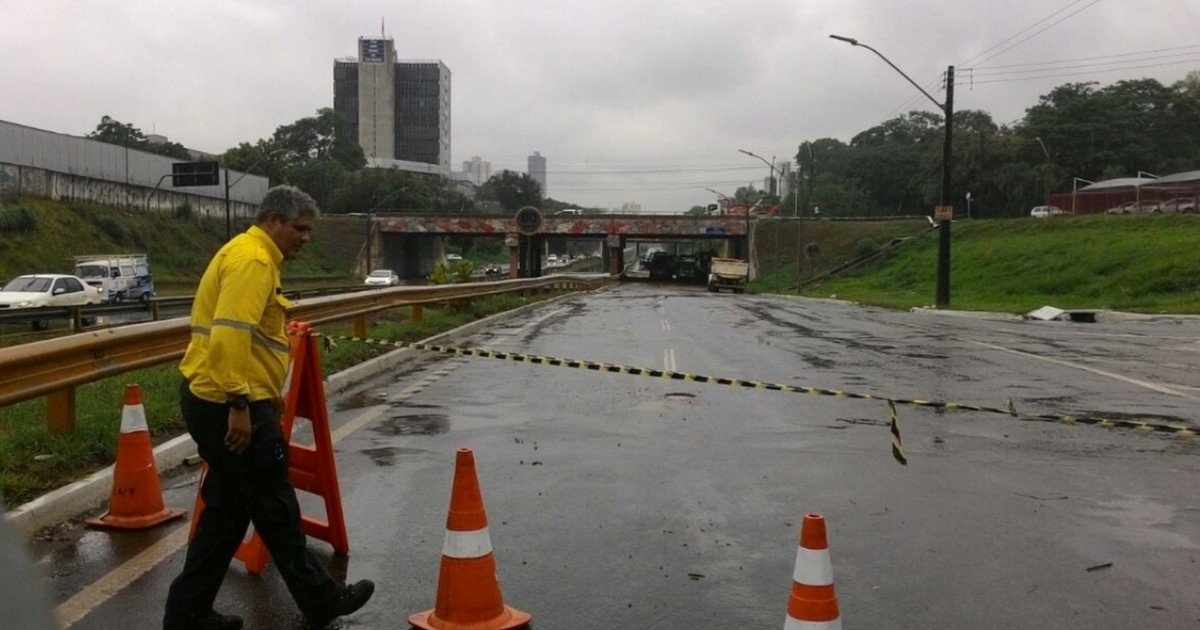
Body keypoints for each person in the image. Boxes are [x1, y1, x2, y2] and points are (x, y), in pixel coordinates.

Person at [164, 186, 374, 630]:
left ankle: (188, 613)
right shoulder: (254, 261)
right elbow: (229, 335)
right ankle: (321, 600)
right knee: (275, 507)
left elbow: (250, 338)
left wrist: (263, 390)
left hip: (220, 396)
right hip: (228, 404)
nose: (306, 238)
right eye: (299, 228)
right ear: (274, 220)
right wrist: (240, 403)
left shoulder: (248, 253)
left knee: (226, 513)